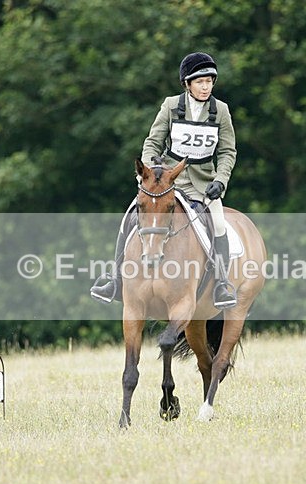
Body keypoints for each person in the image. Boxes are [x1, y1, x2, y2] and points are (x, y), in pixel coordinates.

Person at [90, 51, 238, 309]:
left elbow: (227, 151)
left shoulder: (221, 111)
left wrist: (221, 180)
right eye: (200, 82)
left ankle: (222, 284)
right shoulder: (171, 106)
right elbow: (152, 142)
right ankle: (114, 278)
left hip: (205, 186)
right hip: (169, 182)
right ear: (187, 84)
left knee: (219, 224)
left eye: (210, 81)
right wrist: (148, 171)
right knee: (130, 216)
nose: (206, 87)